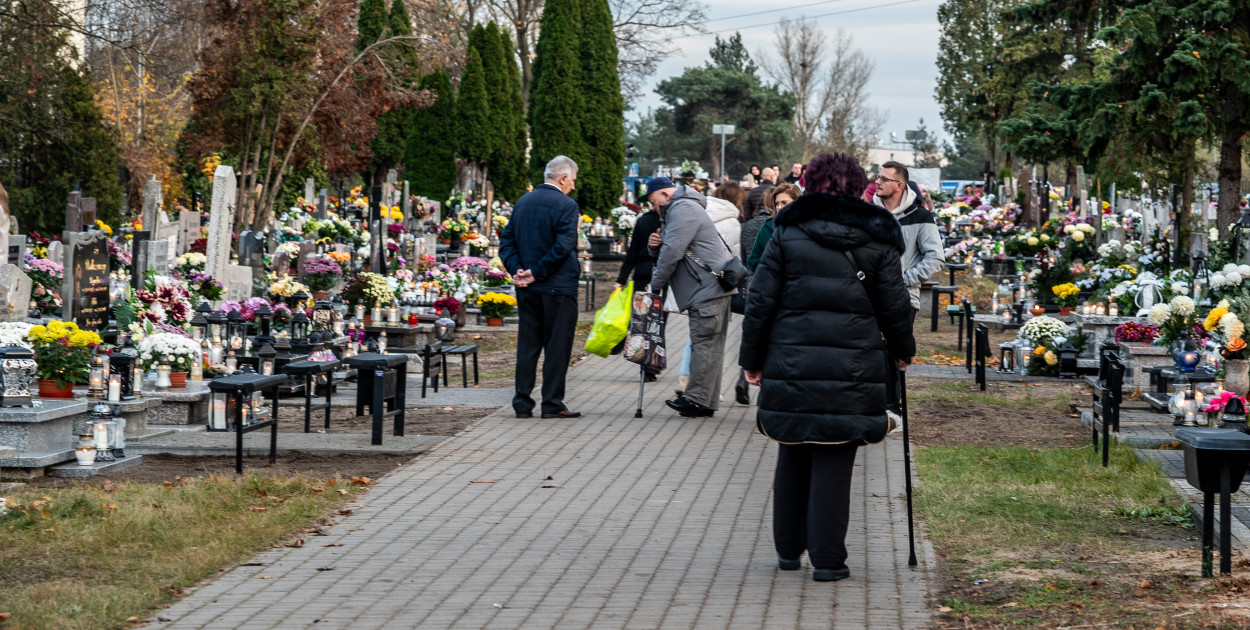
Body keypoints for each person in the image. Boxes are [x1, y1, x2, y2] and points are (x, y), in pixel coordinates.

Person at [739, 152, 916, 582]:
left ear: (812, 184)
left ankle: (787, 551)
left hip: (792, 360)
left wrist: (752, 359)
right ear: (860, 187)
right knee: (836, 461)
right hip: (852, 367)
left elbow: (761, 299)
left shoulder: (786, 230)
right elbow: (894, 304)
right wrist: (902, 349)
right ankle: (828, 560)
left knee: (792, 452)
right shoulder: (878, 235)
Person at [499, 155, 583, 420]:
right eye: (572, 181)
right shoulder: (567, 205)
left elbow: (507, 241)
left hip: (528, 290)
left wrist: (517, 271)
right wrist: (535, 273)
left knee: (528, 345)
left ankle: (522, 403)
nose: (573, 187)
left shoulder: (523, 202)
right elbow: (563, 246)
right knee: (557, 347)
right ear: (563, 178)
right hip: (557, 288)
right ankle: (551, 403)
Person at [647, 177, 736, 418]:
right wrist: (654, 247)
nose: (655, 210)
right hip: (709, 289)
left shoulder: (683, 208)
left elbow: (673, 251)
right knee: (711, 347)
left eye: (655, 204)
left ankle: (696, 400)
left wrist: (655, 285)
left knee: (704, 345)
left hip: (706, 290)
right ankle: (705, 402)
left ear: (665, 195)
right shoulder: (684, 207)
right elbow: (670, 248)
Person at [675, 181, 744, 398]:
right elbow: (735, 256)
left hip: (693, 282)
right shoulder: (733, 222)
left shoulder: (698, 211)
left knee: (696, 336)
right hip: (720, 285)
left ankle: (685, 377)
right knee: (714, 340)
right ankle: (709, 389)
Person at [873, 161, 945, 310]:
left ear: (899, 185)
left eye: (884, 179)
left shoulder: (920, 216)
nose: (877, 182)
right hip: (869, 299)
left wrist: (903, 280)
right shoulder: (869, 214)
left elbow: (936, 258)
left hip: (903, 299)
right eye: (877, 177)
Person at [744, 182, 801, 272]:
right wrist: (770, 263)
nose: (779, 207)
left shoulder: (807, 227)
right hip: (772, 283)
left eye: (784, 203)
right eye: (777, 204)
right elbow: (753, 260)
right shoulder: (767, 227)